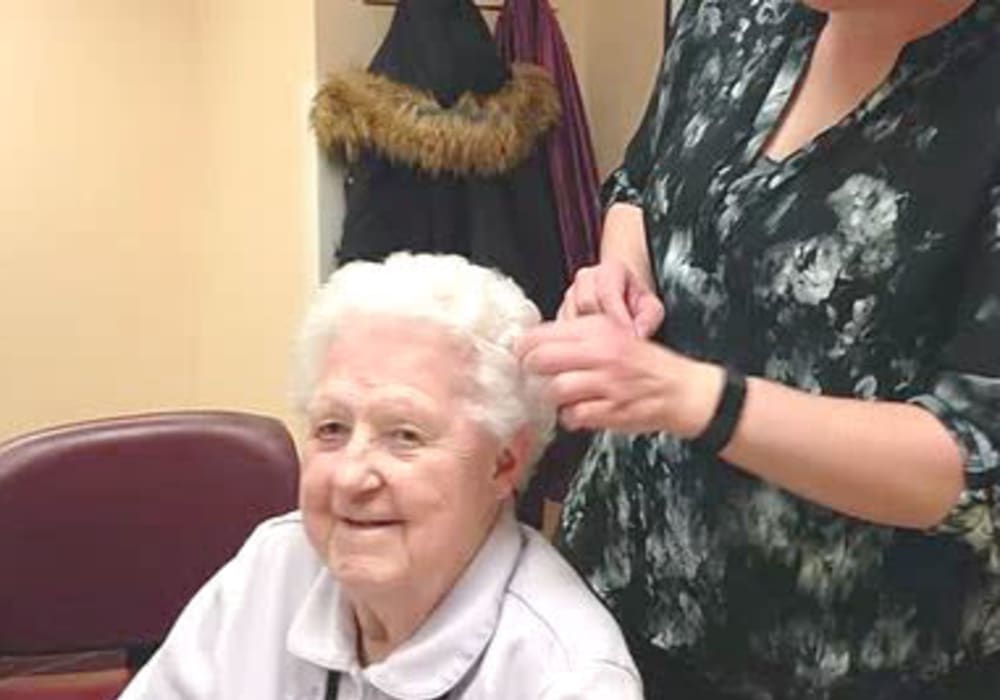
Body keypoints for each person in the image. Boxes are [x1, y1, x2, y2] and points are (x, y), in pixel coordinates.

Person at [517, 1, 1000, 698]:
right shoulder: (736, 13)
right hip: (619, 586)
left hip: (847, 659)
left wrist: (694, 398)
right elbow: (642, 181)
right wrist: (623, 277)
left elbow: (974, 462)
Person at [117, 253, 642, 700]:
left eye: (404, 435)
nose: (350, 476)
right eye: (331, 428)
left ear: (503, 463)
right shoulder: (274, 567)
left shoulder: (565, 676)